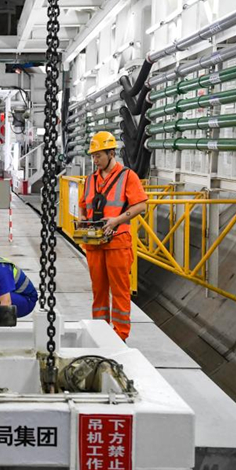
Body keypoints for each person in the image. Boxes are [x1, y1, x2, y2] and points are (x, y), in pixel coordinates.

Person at [78, 131, 148, 341]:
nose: (95, 160)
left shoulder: (128, 176)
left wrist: (116, 221)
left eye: (98, 155)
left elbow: (141, 205)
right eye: (93, 156)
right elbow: (83, 206)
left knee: (120, 290)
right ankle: (100, 332)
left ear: (111, 153)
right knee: (98, 291)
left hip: (117, 242)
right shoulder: (90, 180)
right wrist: (82, 218)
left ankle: (120, 336)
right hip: (94, 243)